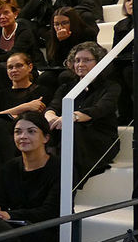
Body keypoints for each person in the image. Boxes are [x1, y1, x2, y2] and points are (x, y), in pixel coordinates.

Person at [0, 112, 62, 242]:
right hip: (15, 229)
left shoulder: (60, 168)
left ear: (46, 138)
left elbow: (50, 211)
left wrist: (11, 215)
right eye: (18, 132)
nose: (23, 136)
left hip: (48, 233)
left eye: (31, 131)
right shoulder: (9, 167)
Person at [45, 42, 121, 185]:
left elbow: (99, 110)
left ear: (99, 63)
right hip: (69, 136)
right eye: (77, 60)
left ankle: (66, 183)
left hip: (99, 139)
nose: (80, 64)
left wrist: (70, 117)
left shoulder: (111, 87)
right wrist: (51, 117)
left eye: (86, 60)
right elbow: (52, 107)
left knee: (71, 129)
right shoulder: (66, 87)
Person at [0, 51, 50, 163]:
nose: (14, 70)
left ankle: (4, 171)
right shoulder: (0, 94)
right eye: (10, 67)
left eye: (19, 66)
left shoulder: (41, 91)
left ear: (30, 67)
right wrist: (24, 107)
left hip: (23, 133)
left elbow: (35, 119)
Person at [40, 6, 99, 94]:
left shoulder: (87, 33)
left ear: (73, 22)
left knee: (65, 76)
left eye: (64, 23)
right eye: (56, 24)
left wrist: (66, 42)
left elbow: (85, 56)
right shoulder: (51, 36)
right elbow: (53, 61)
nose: (60, 27)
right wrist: (60, 42)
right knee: (45, 77)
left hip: (82, 67)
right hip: (60, 68)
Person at [111, 0, 134, 125]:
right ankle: (125, 114)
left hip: (132, 64)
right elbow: (116, 51)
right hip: (124, 61)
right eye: (128, 0)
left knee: (128, 72)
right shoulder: (120, 25)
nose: (131, 3)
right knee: (112, 74)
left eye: (134, 0)